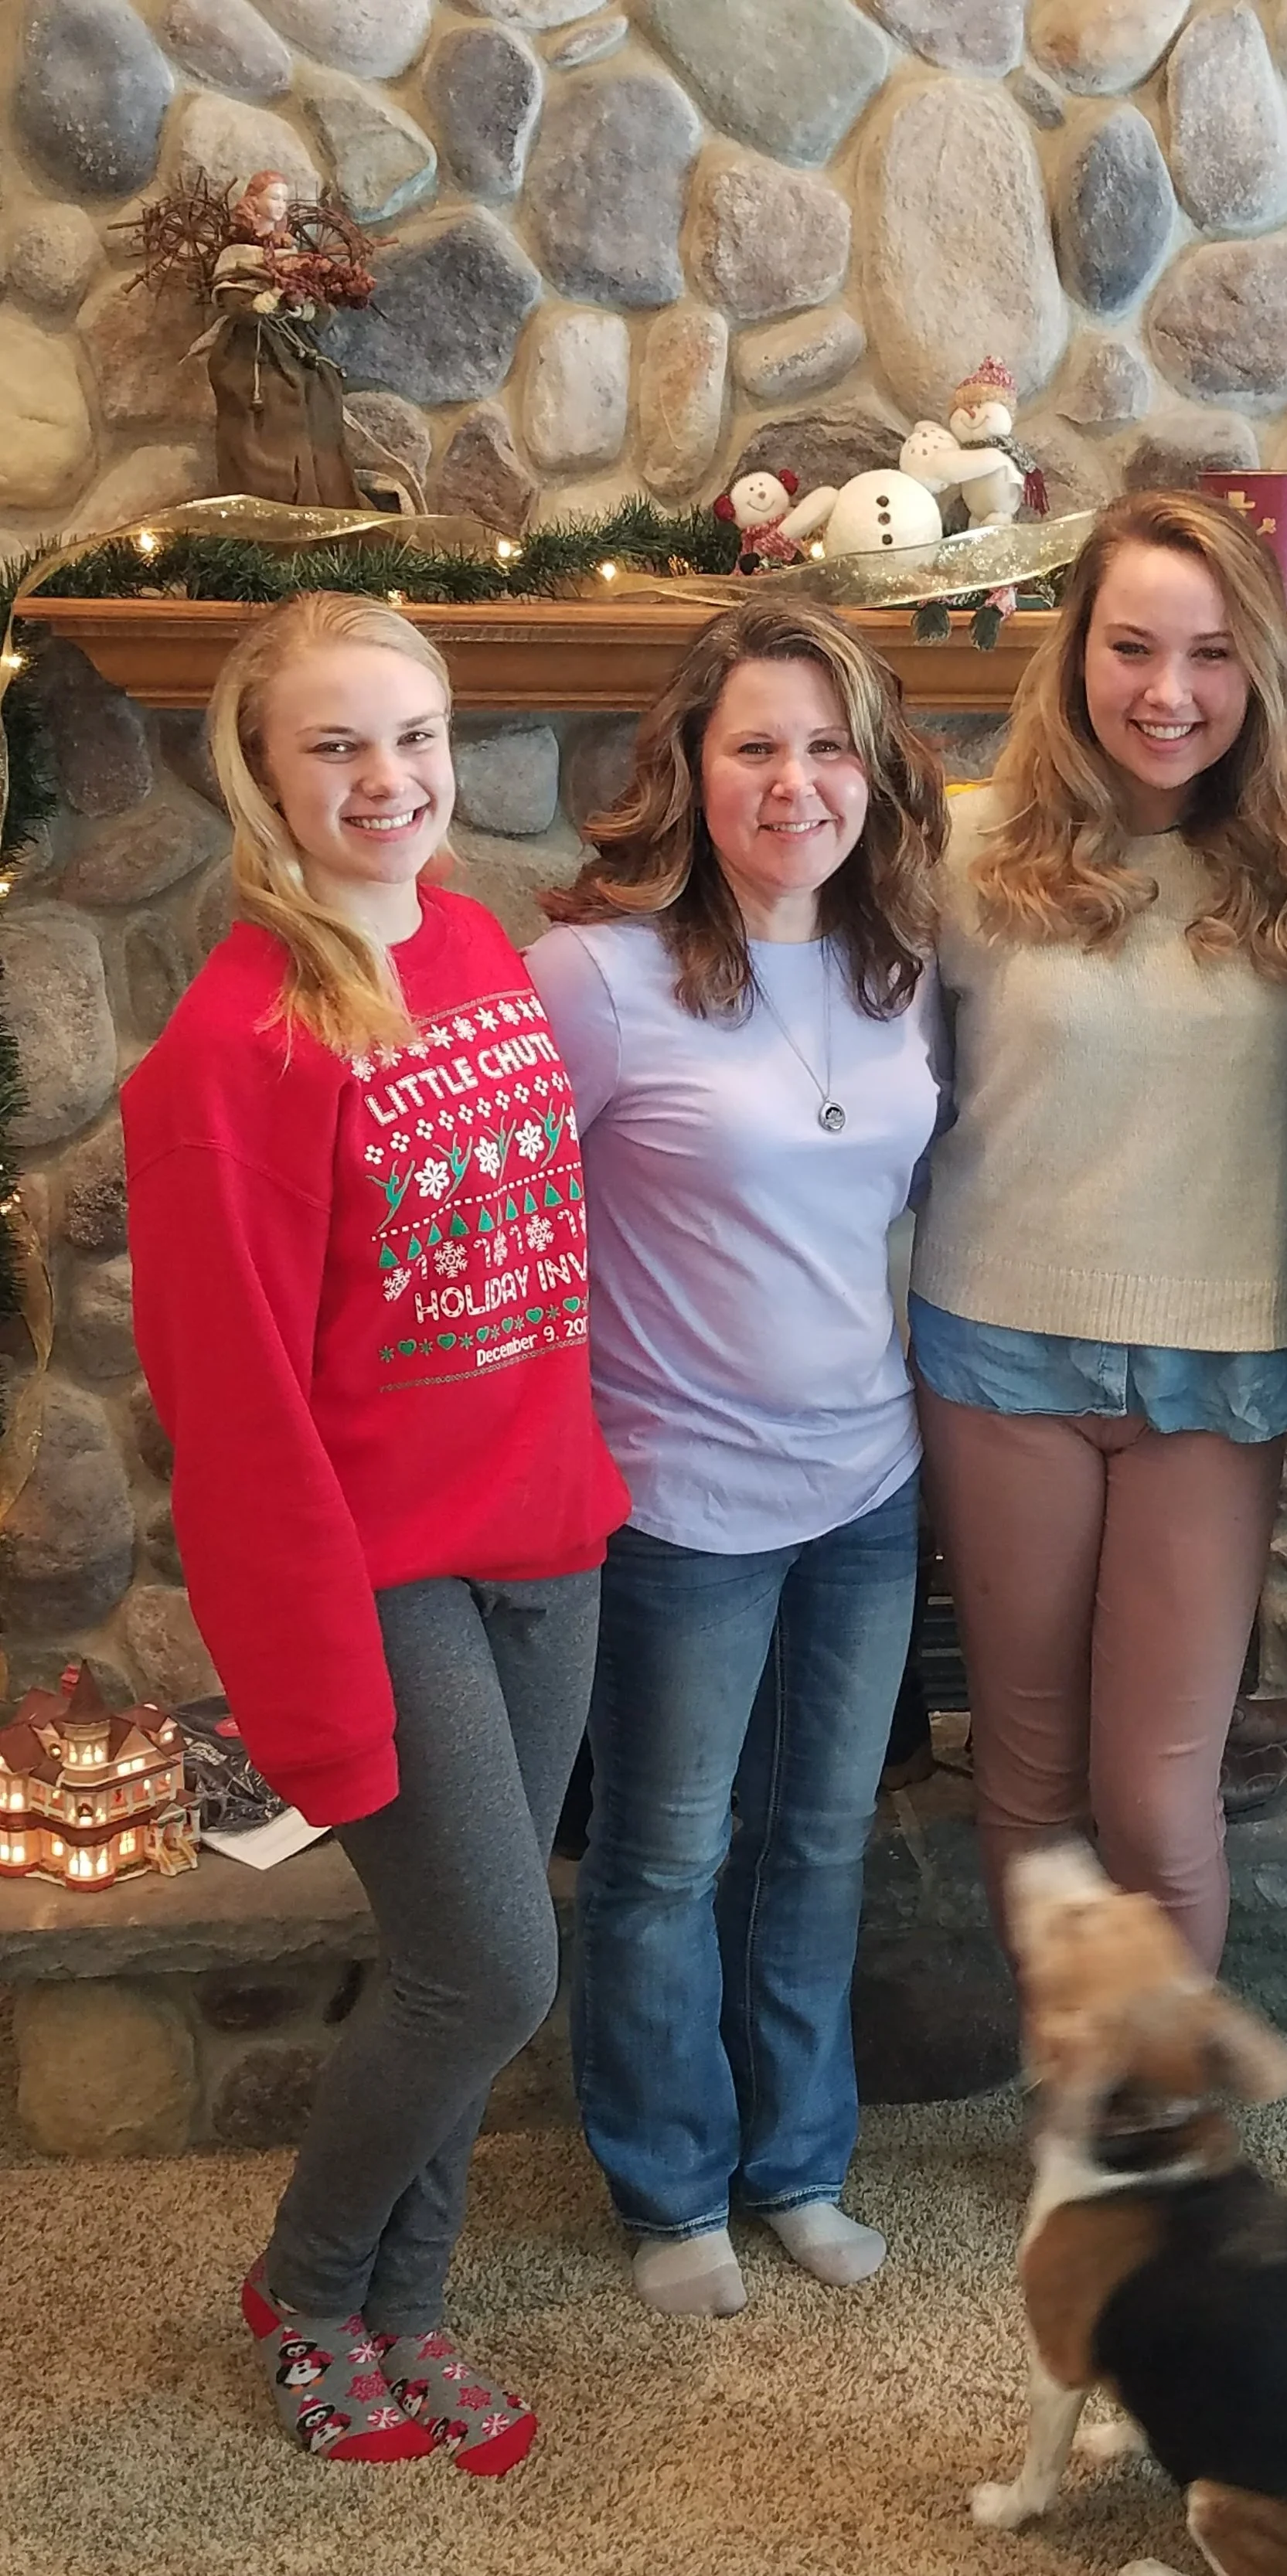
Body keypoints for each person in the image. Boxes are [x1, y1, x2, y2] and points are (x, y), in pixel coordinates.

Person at [121, 592, 627, 2469]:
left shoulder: (484, 945)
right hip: (384, 1577)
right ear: (262, 772)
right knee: (486, 1964)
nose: (388, 780)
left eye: (411, 736)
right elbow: (236, 1423)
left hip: (546, 1547)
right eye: (336, 745)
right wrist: (316, 1690)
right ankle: (312, 2291)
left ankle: (414, 2313)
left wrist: (585, 1504)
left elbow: (532, 1273)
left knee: (472, 1974)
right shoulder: (231, 1051)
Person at [526, 597, 945, 2321]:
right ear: (690, 771)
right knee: (665, 1854)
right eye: (755, 745)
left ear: (872, 772)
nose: (796, 782)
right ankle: (670, 2181)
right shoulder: (598, 981)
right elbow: (502, 1239)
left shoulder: (900, 966)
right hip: (677, 1501)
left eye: (827, 744)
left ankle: (797, 2162)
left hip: (868, 1483)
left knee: (823, 1838)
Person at [910, 488, 1287, 1972]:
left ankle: (1168, 2155)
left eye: (1211, 654)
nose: (1167, 692)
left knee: (1156, 1799)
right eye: (1133, 646)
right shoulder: (958, 858)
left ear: (1258, 671)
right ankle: (1084, 2132)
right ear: (1074, 652)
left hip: (1217, 1362)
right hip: (999, 1343)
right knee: (1027, 1778)